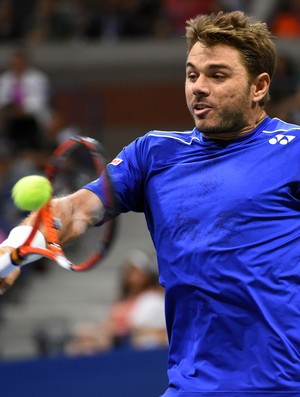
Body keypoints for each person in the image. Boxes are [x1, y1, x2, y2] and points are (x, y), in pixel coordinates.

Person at [1, 9, 300, 396]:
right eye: (192, 74)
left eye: (217, 75)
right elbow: (76, 209)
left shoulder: (293, 150)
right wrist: (13, 248)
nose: (198, 87)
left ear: (259, 87)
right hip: (190, 387)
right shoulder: (153, 153)